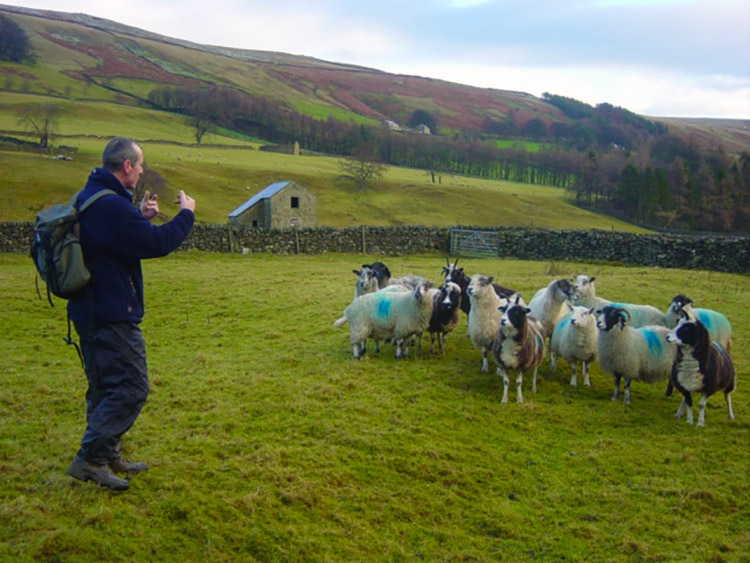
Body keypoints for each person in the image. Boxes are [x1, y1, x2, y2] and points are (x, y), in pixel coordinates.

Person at [65, 136, 196, 491]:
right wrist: (186, 214)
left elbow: (112, 240)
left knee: (104, 387)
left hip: (88, 309)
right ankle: (90, 460)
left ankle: (107, 454)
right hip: (109, 312)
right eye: (139, 165)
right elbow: (157, 243)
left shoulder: (91, 196)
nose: (140, 171)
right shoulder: (110, 206)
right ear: (126, 166)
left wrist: (138, 217)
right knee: (131, 388)